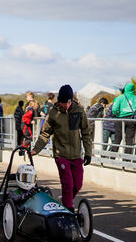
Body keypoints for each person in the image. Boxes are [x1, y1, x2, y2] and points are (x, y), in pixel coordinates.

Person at [30, 85, 92, 213]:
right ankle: (68, 209)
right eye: (62, 103)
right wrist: (36, 149)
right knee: (68, 183)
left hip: (75, 154)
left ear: (71, 100)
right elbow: (45, 133)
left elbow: (86, 132)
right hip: (61, 154)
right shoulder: (53, 113)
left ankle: (64, 199)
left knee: (77, 184)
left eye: (67, 103)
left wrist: (88, 153)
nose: (65, 106)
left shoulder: (79, 111)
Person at [110, 82, 136, 155]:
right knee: (129, 140)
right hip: (132, 119)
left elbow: (114, 109)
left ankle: (112, 156)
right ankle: (127, 159)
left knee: (117, 138)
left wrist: (117, 114)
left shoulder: (120, 97)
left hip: (120, 119)